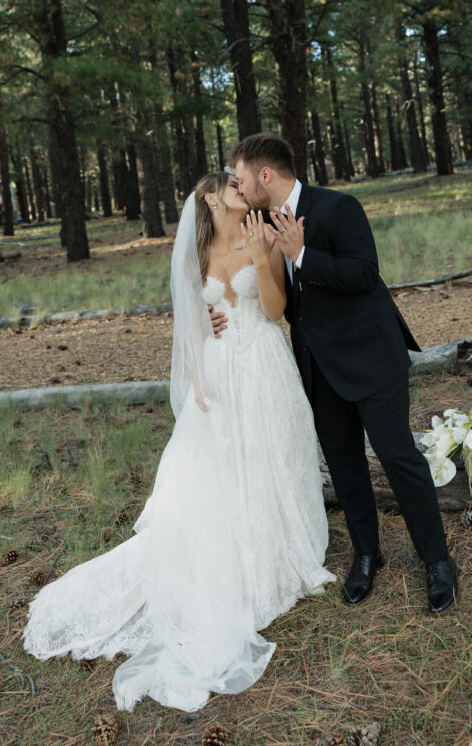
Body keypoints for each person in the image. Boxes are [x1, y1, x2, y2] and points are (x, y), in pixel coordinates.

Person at [22, 172, 335, 712]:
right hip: (218, 374)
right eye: (233, 184)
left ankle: (282, 538)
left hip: (263, 362)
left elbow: (278, 311)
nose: (243, 187)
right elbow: (191, 321)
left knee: (274, 455)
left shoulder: (261, 234)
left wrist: (264, 260)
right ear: (211, 199)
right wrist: (199, 378)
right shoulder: (196, 255)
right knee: (214, 476)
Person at [217, 133, 458, 612]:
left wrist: (303, 255)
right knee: (345, 464)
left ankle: (437, 561)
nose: (237, 186)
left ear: (266, 174)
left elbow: (365, 274)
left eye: (240, 176)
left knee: (398, 457)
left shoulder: (338, 207)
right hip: (316, 362)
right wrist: (217, 310)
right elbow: (271, 301)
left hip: (371, 357)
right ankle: (367, 554)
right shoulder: (260, 223)